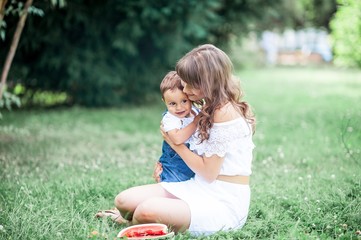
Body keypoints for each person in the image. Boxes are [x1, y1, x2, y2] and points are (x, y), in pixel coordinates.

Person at [113, 44, 256, 236]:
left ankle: (138, 221)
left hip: (223, 200)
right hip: (196, 185)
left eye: (189, 84)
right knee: (124, 200)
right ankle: (137, 217)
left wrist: (175, 144)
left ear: (207, 82)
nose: (185, 89)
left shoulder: (224, 112)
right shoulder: (210, 105)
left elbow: (208, 172)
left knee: (146, 210)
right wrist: (169, 167)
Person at [153, 71, 198, 183]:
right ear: (164, 101)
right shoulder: (170, 119)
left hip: (193, 165)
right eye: (172, 104)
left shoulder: (195, 112)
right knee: (171, 192)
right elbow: (177, 139)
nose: (179, 107)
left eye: (184, 101)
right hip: (174, 168)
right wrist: (196, 122)